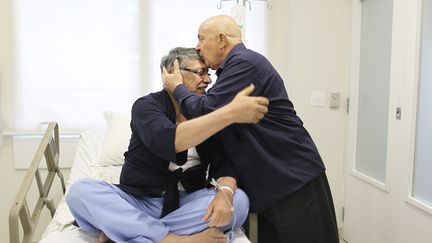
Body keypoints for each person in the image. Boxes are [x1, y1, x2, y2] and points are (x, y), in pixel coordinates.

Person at [163, 15, 340, 243]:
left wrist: (177, 87)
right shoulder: (231, 71)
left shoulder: (245, 63)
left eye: (200, 39)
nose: (197, 47)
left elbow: (206, 111)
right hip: (271, 184)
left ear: (221, 40)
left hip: (293, 179)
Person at [66, 47, 269, 243]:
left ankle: (126, 232)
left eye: (208, 73)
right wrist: (226, 114)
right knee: (81, 191)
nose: (207, 80)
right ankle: (175, 239)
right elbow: (169, 139)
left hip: (186, 204)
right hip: (139, 202)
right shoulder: (146, 106)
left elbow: (223, 164)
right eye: (200, 72)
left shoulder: (206, 110)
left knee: (239, 200)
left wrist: (225, 193)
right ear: (172, 75)